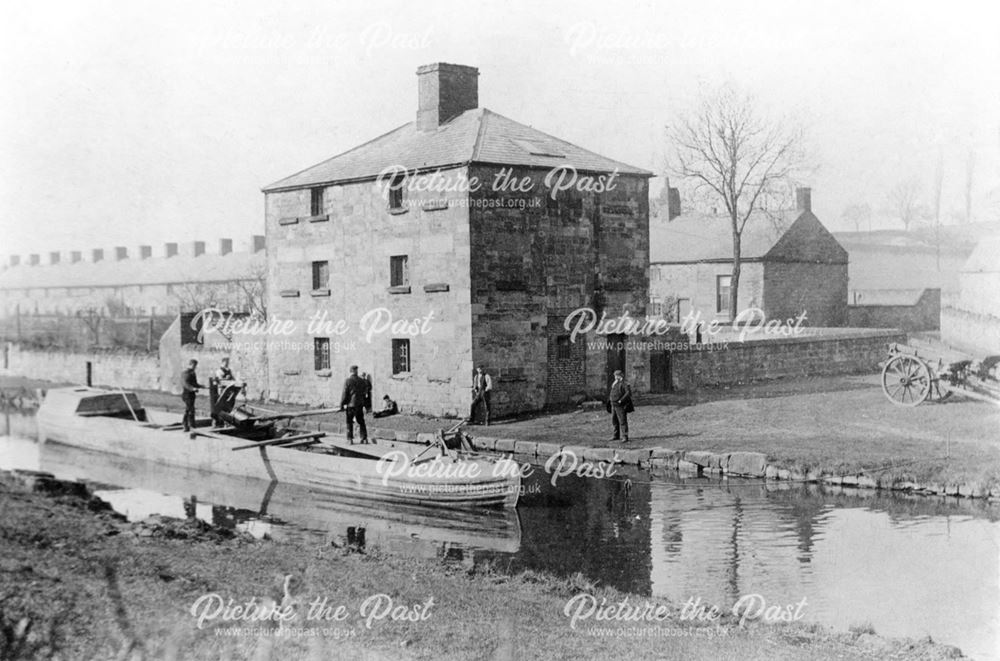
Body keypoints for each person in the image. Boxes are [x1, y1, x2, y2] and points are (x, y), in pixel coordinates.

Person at [340, 365, 371, 443]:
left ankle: (350, 439)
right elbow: (365, 390)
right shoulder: (361, 381)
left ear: (350, 371)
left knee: (349, 421)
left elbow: (345, 393)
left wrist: (342, 404)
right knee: (361, 421)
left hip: (351, 405)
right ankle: (364, 438)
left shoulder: (348, 381)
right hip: (359, 404)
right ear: (357, 371)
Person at [608, 370, 632, 443]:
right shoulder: (615, 383)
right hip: (613, 404)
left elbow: (628, 393)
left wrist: (621, 400)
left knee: (622, 420)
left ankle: (625, 436)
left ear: (620, 376)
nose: (615, 377)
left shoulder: (624, 383)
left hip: (620, 405)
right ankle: (616, 435)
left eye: (616, 375)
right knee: (614, 420)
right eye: (615, 375)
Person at [180, 359, 203, 432]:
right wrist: (192, 389)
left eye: (195, 366)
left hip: (192, 395)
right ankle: (188, 425)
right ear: (190, 365)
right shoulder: (185, 373)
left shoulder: (192, 373)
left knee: (189, 409)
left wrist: (201, 386)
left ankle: (188, 425)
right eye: (194, 365)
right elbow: (185, 384)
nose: (195, 367)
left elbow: (195, 383)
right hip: (187, 394)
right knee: (190, 410)